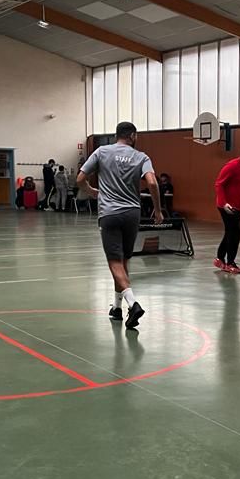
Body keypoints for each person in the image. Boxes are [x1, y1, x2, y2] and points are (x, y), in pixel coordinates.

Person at [77, 122, 162, 330]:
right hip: (132, 213)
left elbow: (80, 178)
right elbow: (152, 183)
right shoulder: (142, 157)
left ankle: (132, 304)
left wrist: (91, 191)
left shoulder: (102, 152)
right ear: (132, 136)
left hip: (109, 213)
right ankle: (117, 307)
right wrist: (158, 210)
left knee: (114, 262)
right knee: (124, 261)